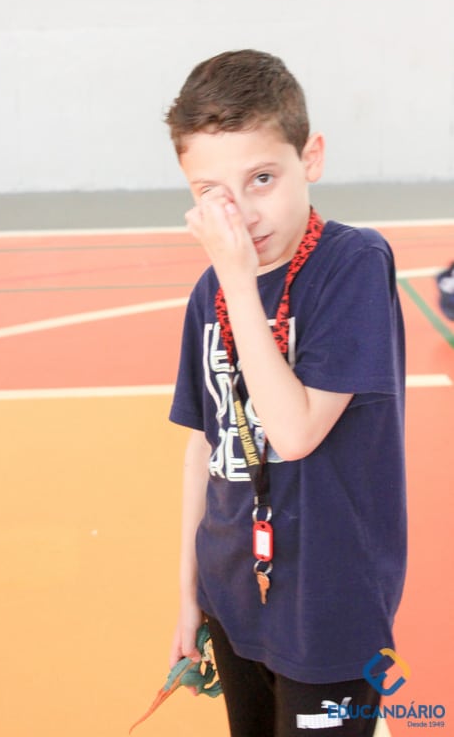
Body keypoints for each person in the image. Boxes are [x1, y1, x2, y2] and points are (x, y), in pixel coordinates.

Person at [165, 50, 406, 737]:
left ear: (312, 157)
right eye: (213, 192)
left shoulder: (352, 264)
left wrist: (238, 282)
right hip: (233, 595)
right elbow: (203, 448)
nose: (241, 214)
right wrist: (188, 592)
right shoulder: (210, 292)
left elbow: (294, 433)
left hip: (329, 611)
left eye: (262, 178)